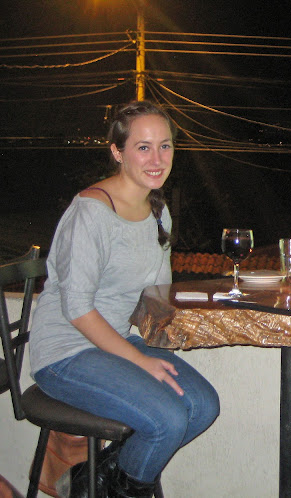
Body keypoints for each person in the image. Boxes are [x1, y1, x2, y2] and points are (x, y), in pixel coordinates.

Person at [29, 101, 220, 498]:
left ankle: (92, 481)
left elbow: (156, 295)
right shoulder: (92, 213)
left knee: (203, 406)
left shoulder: (158, 212)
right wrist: (139, 359)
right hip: (65, 352)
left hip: (114, 340)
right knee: (167, 420)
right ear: (117, 152)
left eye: (165, 146)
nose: (157, 159)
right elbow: (77, 309)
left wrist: (189, 324)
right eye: (143, 147)